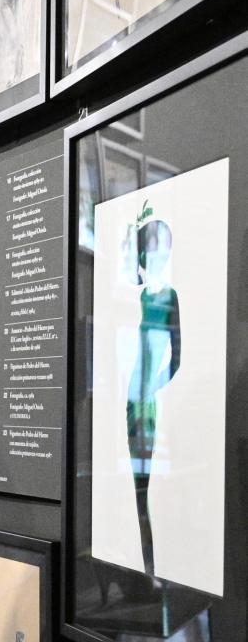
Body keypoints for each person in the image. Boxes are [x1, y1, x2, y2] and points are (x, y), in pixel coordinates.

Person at [126, 217, 179, 578]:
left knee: (153, 483)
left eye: (162, 247)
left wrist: (156, 386)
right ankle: (144, 564)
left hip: (152, 401)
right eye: (150, 246)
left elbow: (178, 356)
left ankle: (157, 564)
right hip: (131, 397)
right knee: (135, 483)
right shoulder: (136, 296)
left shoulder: (169, 296)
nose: (156, 254)